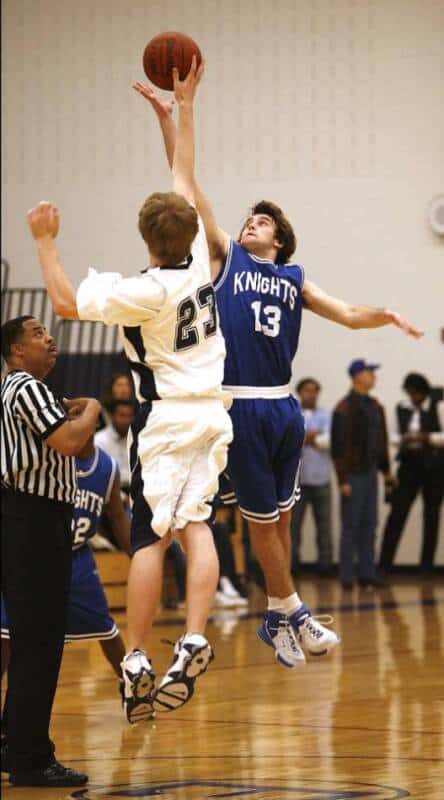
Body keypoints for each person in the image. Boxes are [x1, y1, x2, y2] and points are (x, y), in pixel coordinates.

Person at [135, 76, 422, 668]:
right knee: (261, 523)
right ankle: (293, 609)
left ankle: (276, 616)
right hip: (236, 403)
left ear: (280, 239)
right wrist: (175, 118)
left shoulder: (294, 279)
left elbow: (346, 313)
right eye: (249, 219)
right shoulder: (226, 256)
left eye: (261, 222)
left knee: (280, 520)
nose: (250, 224)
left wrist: (385, 315)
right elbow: (185, 187)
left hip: (282, 404)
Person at [27, 59, 233, 722]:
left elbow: (61, 300)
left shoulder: (141, 293)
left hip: (168, 418)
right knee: (198, 525)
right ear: (185, 230)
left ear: (147, 237)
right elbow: (184, 175)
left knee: (150, 535)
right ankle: (197, 634)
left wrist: (46, 242)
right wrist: (177, 111)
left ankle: (139, 652)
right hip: (214, 411)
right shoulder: (201, 251)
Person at [1, 315, 100, 787]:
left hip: (26, 518)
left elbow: (73, 448)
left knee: (30, 641)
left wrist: (80, 421)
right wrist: (94, 409)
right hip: (35, 518)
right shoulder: (27, 388)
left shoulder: (17, 390)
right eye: (38, 333)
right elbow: (69, 442)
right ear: (17, 350)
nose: (49, 338)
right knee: (39, 643)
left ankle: (12, 741)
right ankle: (31, 757)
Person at [1, 435, 131, 692]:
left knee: (106, 630)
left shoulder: (108, 469)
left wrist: (135, 555)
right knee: (5, 634)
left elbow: (117, 517)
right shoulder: (46, 460)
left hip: (77, 560)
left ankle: (131, 687)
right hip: (34, 556)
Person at [331, 359, 394, 589]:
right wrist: (343, 479)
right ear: (357, 376)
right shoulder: (344, 408)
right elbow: (339, 447)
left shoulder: (376, 406)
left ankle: (367, 574)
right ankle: (347, 577)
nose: (373, 377)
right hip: (353, 476)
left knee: (370, 525)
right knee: (351, 525)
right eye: (370, 373)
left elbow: (382, 440)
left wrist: (386, 471)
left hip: (371, 474)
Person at [379, 373, 444, 576]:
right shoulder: (401, 407)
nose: (413, 397)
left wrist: (427, 437)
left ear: (425, 393)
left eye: (417, 394)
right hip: (409, 465)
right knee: (397, 513)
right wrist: (405, 439)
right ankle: (384, 566)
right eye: (410, 393)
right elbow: (393, 436)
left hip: (435, 467)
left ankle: (426, 567)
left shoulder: (439, 406)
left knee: (431, 515)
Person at [290, 378, 334, 577]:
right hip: (295, 481)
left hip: (321, 479)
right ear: (300, 393)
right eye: (307, 390)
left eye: (315, 391)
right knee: (293, 527)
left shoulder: (326, 415)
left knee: (324, 525)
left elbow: (329, 441)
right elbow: (289, 439)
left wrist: (304, 437)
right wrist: (310, 437)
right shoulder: (292, 413)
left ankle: (325, 566)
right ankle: (292, 565)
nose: (311, 394)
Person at [95, 398, 135, 492]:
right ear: (112, 416)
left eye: (129, 416)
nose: (126, 420)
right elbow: (98, 477)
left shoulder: (137, 440)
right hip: (108, 491)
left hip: (134, 491)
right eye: (122, 415)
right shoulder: (99, 441)